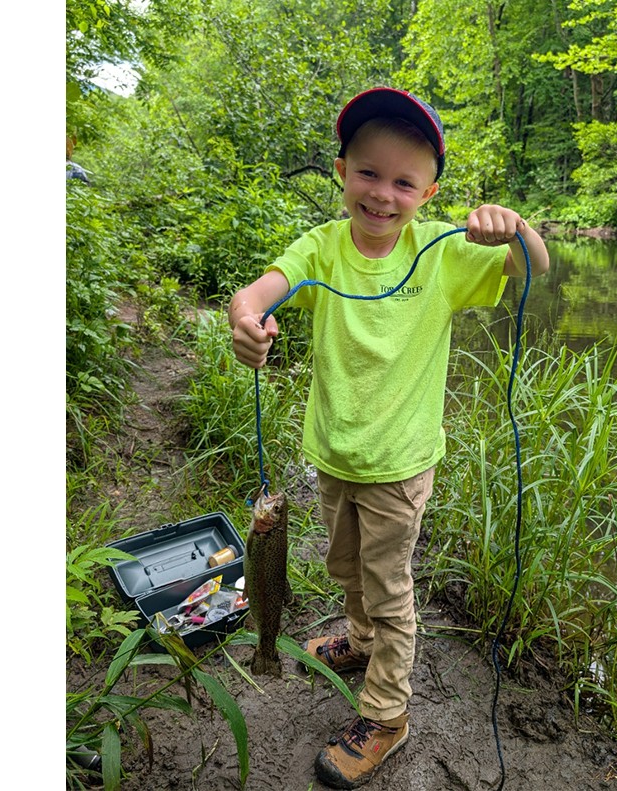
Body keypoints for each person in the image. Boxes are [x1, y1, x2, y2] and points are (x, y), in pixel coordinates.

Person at [229, 86, 549, 789]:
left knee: (388, 584)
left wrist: (515, 231)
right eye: (368, 172)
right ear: (341, 171)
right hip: (333, 455)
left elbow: (535, 270)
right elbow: (256, 293)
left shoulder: (442, 252)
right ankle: (361, 637)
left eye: (403, 181)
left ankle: (386, 712)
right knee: (346, 566)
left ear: (427, 191)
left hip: (400, 466)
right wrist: (247, 321)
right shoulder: (320, 246)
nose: (382, 193)